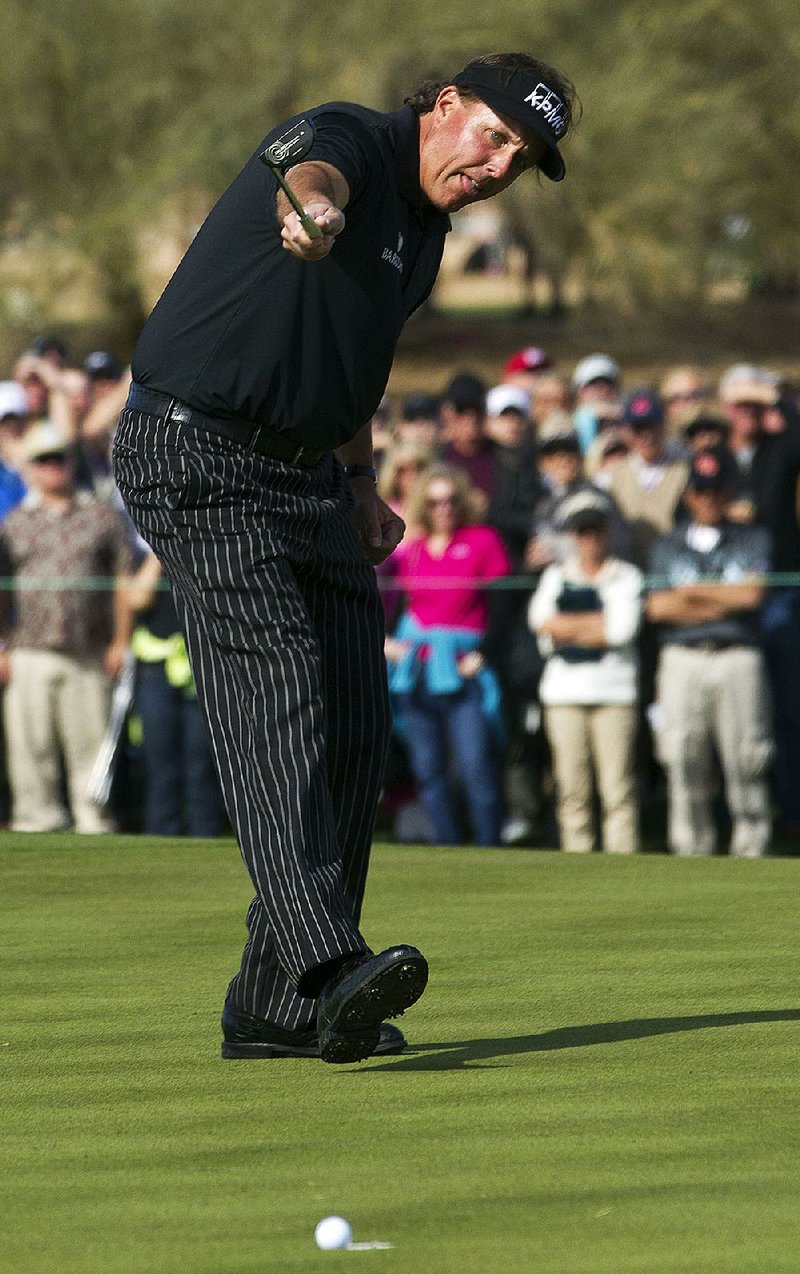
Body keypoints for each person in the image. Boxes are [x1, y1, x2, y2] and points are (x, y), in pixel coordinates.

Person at [111, 52, 579, 1064]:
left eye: (520, 156)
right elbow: (308, 172)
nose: (496, 163)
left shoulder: (424, 237)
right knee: (281, 690)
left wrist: (362, 485)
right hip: (194, 446)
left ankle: (273, 1004)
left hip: (309, 473)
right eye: (492, 135)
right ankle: (328, 962)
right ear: (444, 104)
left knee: (357, 720)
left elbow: (353, 370)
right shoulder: (352, 144)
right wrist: (310, 214)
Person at [0, 421, 134, 832]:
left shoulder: (101, 517)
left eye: (59, 457)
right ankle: (36, 823)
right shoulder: (14, 523)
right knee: (30, 753)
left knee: (90, 752)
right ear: (31, 468)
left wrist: (120, 641)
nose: (52, 466)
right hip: (28, 651)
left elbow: (122, 581)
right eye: (43, 459)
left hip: (89, 651)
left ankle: (94, 825)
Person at [646, 445, 773, 857]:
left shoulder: (752, 537)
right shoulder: (668, 544)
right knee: (682, 758)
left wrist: (691, 593)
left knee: (746, 759)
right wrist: (722, 600)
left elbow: (752, 596)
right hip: (683, 659)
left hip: (737, 656)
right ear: (689, 495)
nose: (709, 499)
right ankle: (690, 852)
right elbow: (658, 607)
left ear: (728, 492)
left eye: (717, 490)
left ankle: (752, 851)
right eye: (701, 491)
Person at [386, 466, 510, 846]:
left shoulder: (482, 540)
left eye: (452, 500)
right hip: (417, 669)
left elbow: (503, 603)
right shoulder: (413, 550)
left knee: (475, 766)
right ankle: (447, 849)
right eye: (436, 501)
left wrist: (485, 654)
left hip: (461, 667)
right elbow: (394, 603)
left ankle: (491, 847)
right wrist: (385, 640)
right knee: (428, 768)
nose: (444, 508)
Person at [529, 490, 643, 853]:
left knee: (618, 791)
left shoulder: (626, 576)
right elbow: (541, 624)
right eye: (582, 532)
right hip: (564, 695)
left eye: (595, 530)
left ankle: (623, 869)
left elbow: (621, 631)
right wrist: (597, 626)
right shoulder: (554, 576)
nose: (590, 538)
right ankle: (577, 865)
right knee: (572, 792)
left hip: (614, 695)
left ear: (606, 532)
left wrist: (567, 627)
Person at [129, 550, 227, 836]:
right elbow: (137, 598)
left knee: (202, 769)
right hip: (157, 670)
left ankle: (205, 841)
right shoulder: (147, 553)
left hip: (204, 670)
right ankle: (160, 840)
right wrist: (160, 550)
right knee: (161, 770)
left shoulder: (211, 554)